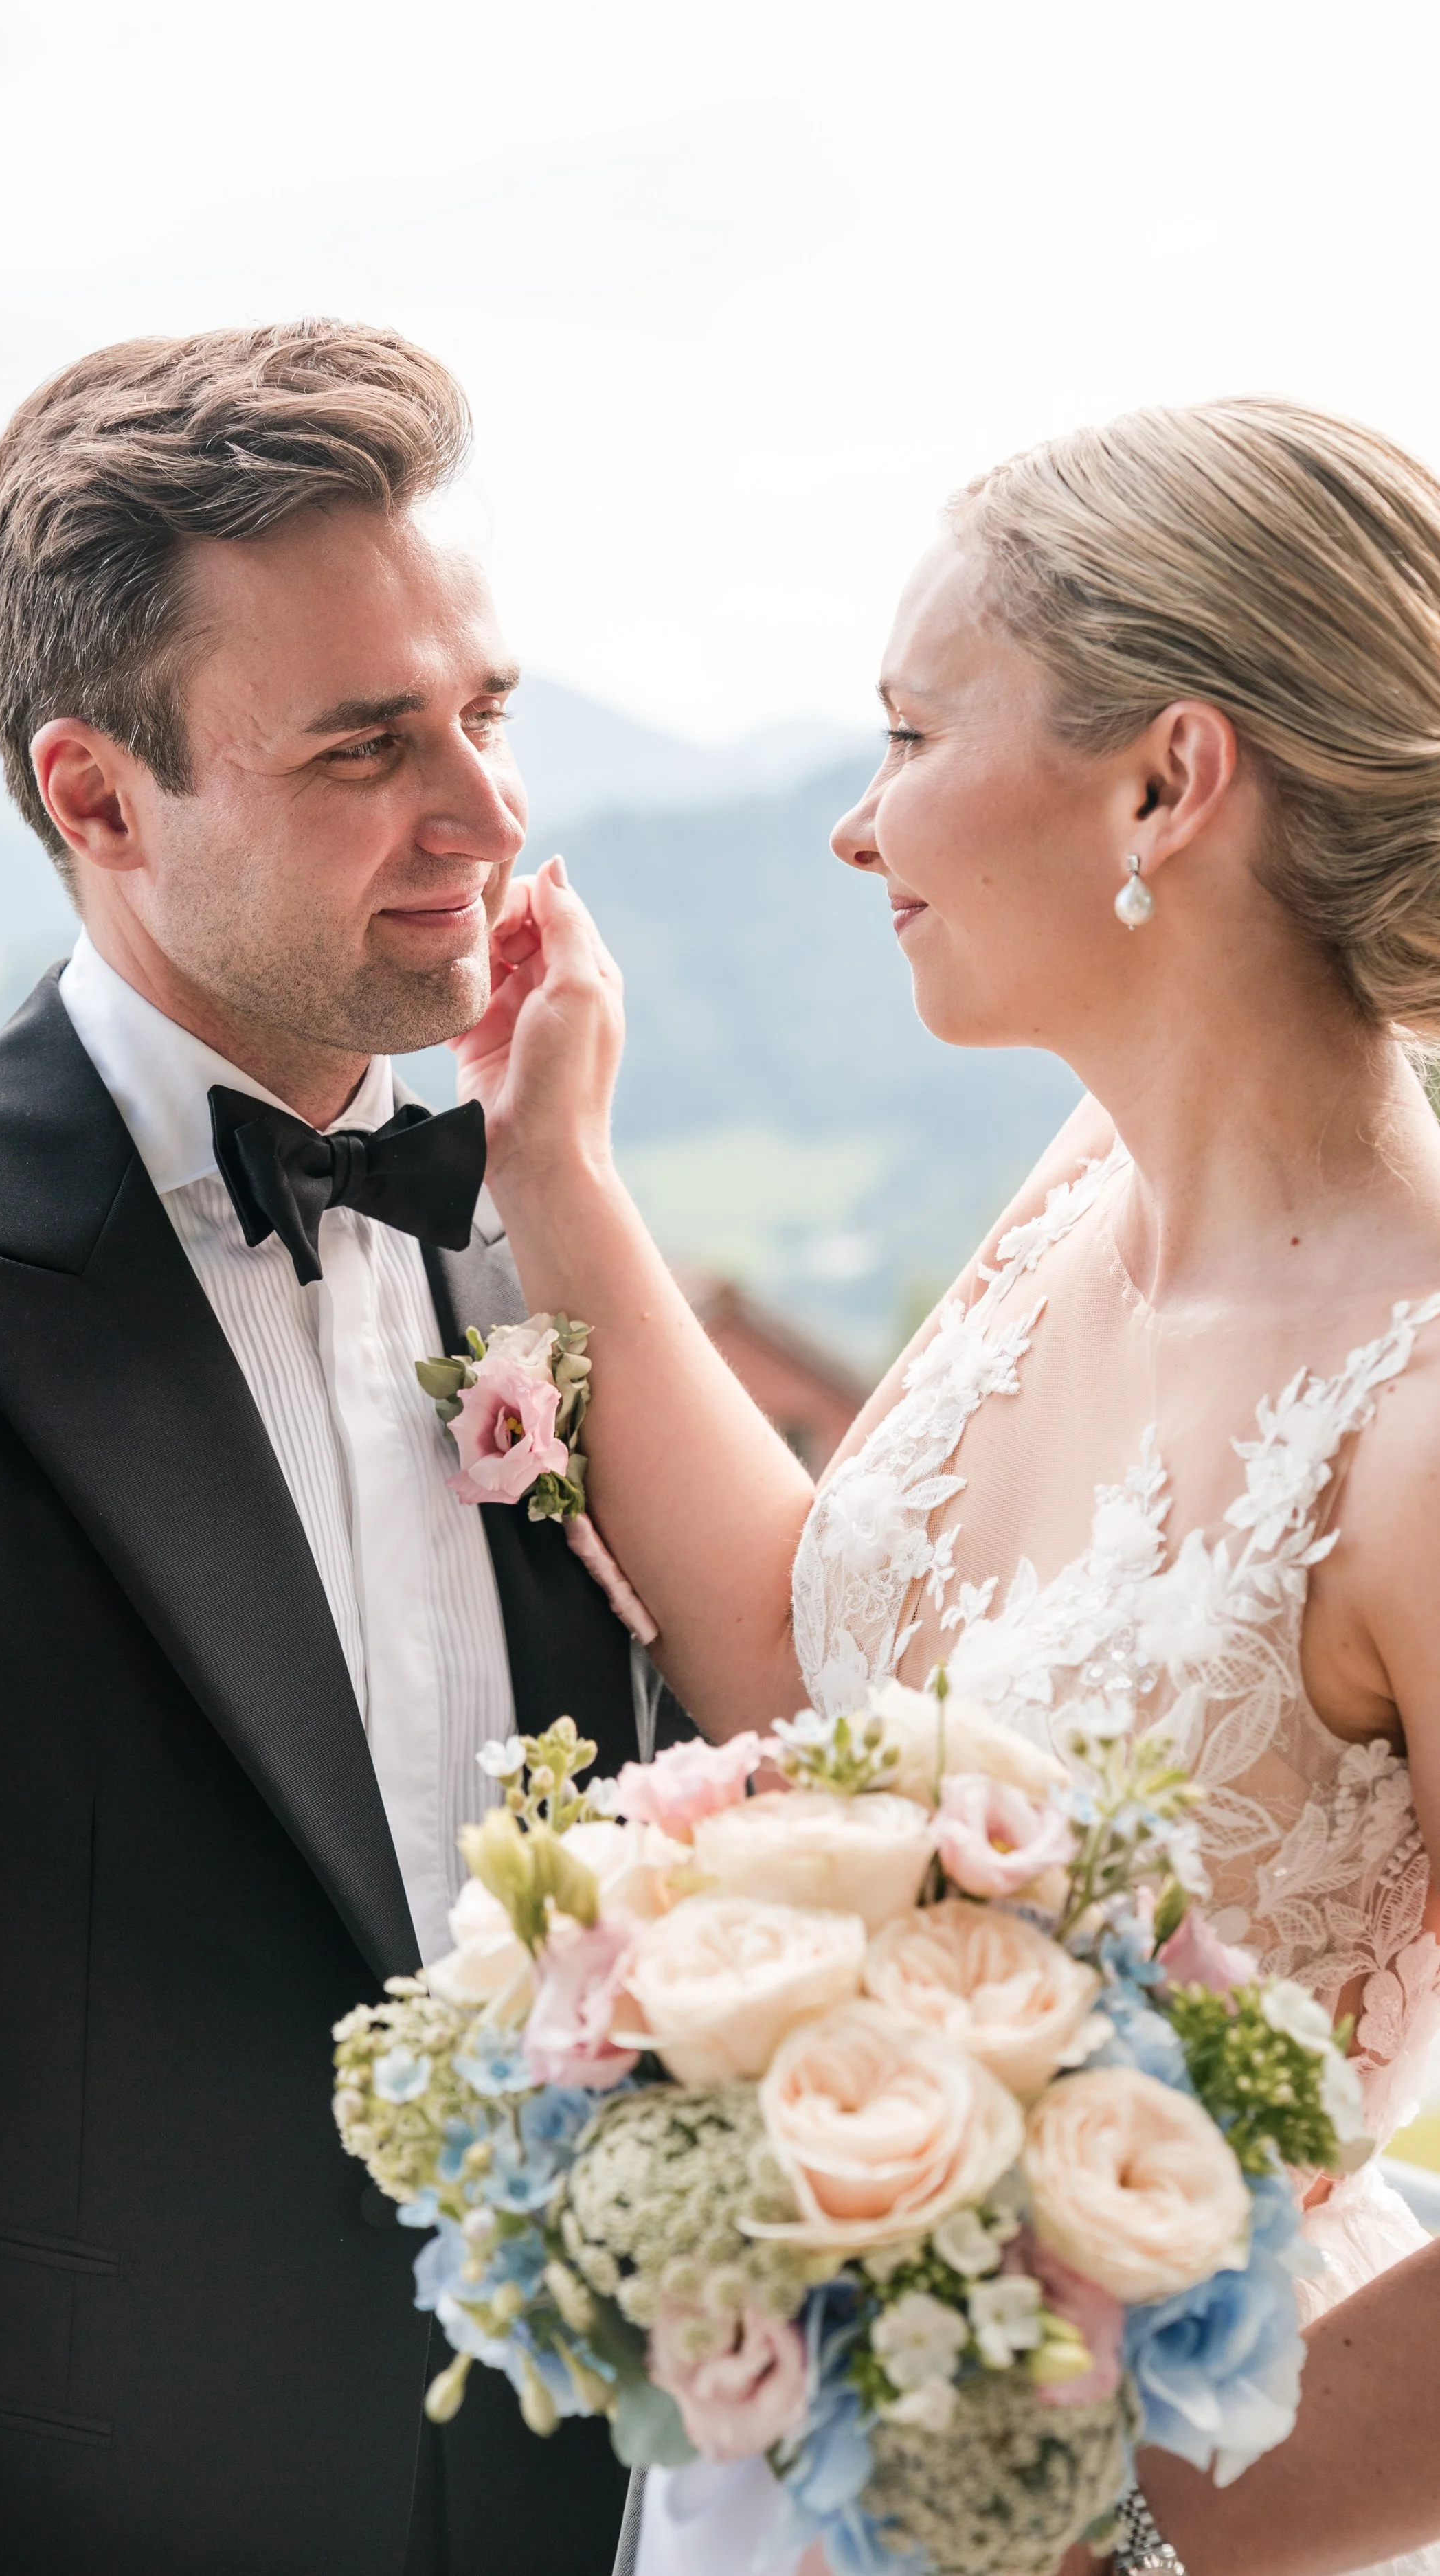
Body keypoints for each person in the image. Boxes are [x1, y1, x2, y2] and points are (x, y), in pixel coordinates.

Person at [0, 323, 674, 2572]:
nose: (483, 811)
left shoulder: (543, 1253)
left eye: (486, 712)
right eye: (369, 745)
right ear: (96, 796)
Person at [462, 398, 1440, 2576]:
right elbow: (820, 1661)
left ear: (1164, 780)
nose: (852, 821)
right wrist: (556, 1176)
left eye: (906, 730)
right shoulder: (1080, 1186)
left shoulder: (1423, 1415)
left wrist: (1104, 2534)